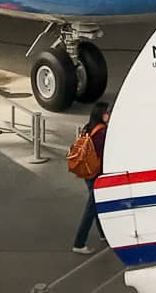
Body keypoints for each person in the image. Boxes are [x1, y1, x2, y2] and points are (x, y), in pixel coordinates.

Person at [70, 101, 110, 253]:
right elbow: (103, 154)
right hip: (96, 173)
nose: (109, 115)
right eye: (107, 112)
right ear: (102, 115)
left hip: (87, 171)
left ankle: (103, 234)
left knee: (96, 204)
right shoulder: (101, 133)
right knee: (91, 208)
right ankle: (79, 243)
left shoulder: (88, 128)